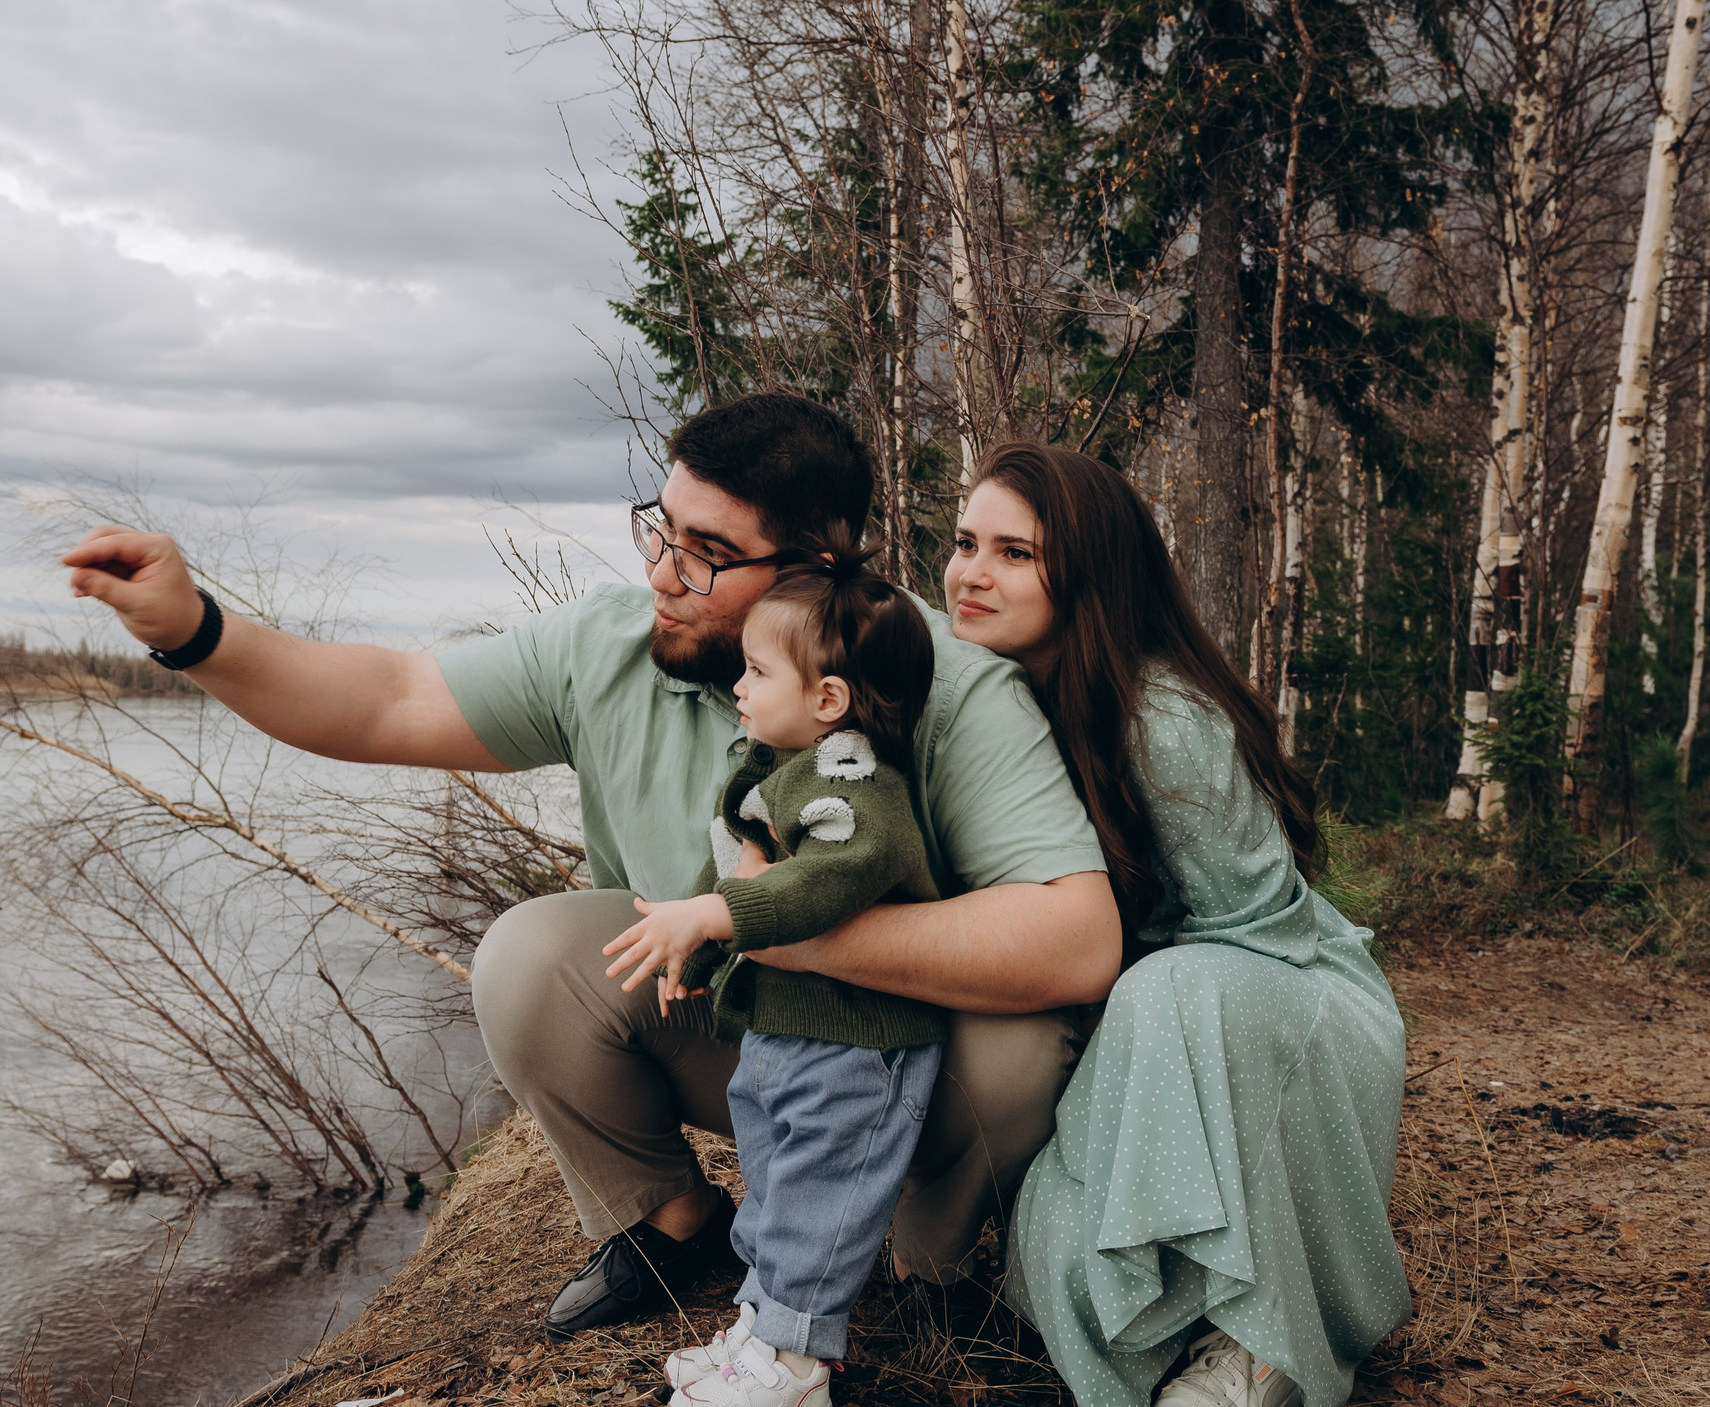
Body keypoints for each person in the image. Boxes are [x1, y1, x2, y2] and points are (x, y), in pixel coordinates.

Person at [60, 395, 1119, 1339]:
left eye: (708, 552)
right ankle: (673, 1218)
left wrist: (772, 925)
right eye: (662, 529)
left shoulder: (940, 682)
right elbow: (388, 699)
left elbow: (1077, 941)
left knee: (1025, 1045)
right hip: (747, 1029)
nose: (661, 573)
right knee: (530, 955)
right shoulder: (608, 647)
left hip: (901, 1052)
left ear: (815, 569)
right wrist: (195, 632)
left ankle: (928, 1248)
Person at [941, 442, 1411, 1407]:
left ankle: (1263, 1335)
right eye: (965, 542)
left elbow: (1256, 934)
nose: (970, 573)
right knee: (1053, 1228)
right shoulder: (983, 703)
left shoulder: (1163, 723)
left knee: (1169, 991)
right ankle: (1158, 1312)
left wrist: (1106, 1006)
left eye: (1014, 554)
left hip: (1278, 1000)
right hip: (1141, 1016)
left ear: (1090, 576)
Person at [602, 546, 943, 1407]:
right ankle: (759, 1330)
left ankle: (795, 1372)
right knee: (774, 1185)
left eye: (757, 671)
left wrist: (713, 917)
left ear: (828, 699)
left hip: (855, 1046)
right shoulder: (779, 768)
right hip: (787, 1035)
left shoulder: (855, 786)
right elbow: (740, 867)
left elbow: (821, 884)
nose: (740, 686)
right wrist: (701, 948)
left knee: (817, 1198)